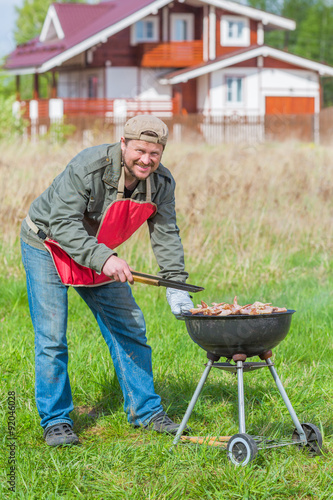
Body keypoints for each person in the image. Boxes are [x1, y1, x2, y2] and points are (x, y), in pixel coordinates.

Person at [20, 115, 194, 446]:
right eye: (140, 150)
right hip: (46, 244)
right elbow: (63, 223)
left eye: (155, 153)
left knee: (130, 326)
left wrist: (174, 283)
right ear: (124, 144)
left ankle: (147, 412)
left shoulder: (161, 184)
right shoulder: (89, 166)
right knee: (52, 336)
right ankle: (56, 421)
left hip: (96, 250)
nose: (147, 160)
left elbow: (166, 233)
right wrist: (106, 259)